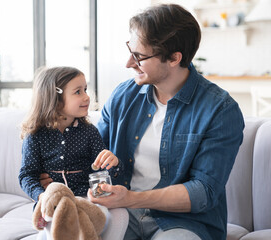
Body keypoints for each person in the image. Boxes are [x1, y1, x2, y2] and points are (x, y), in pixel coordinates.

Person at [86, 4, 244, 240]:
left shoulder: (220, 110)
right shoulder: (123, 96)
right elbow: (92, 154)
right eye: (131, 50)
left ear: (174, 58)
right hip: (120, 212)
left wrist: (131, 198)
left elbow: (203, 192)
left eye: (139, 56)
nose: (129, 63)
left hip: (184, 223)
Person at [19, 66, 122, 203]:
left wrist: (114, 165)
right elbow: (27, 175)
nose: (86, 97)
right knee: (59, 216)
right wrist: (42, 196)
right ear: (55, 98)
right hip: (53, 200)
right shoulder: (35, 135)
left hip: (86, 199)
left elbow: (102, 172)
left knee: (119, 214)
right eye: (78, 92)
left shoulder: (89, 132)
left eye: (85, 90)